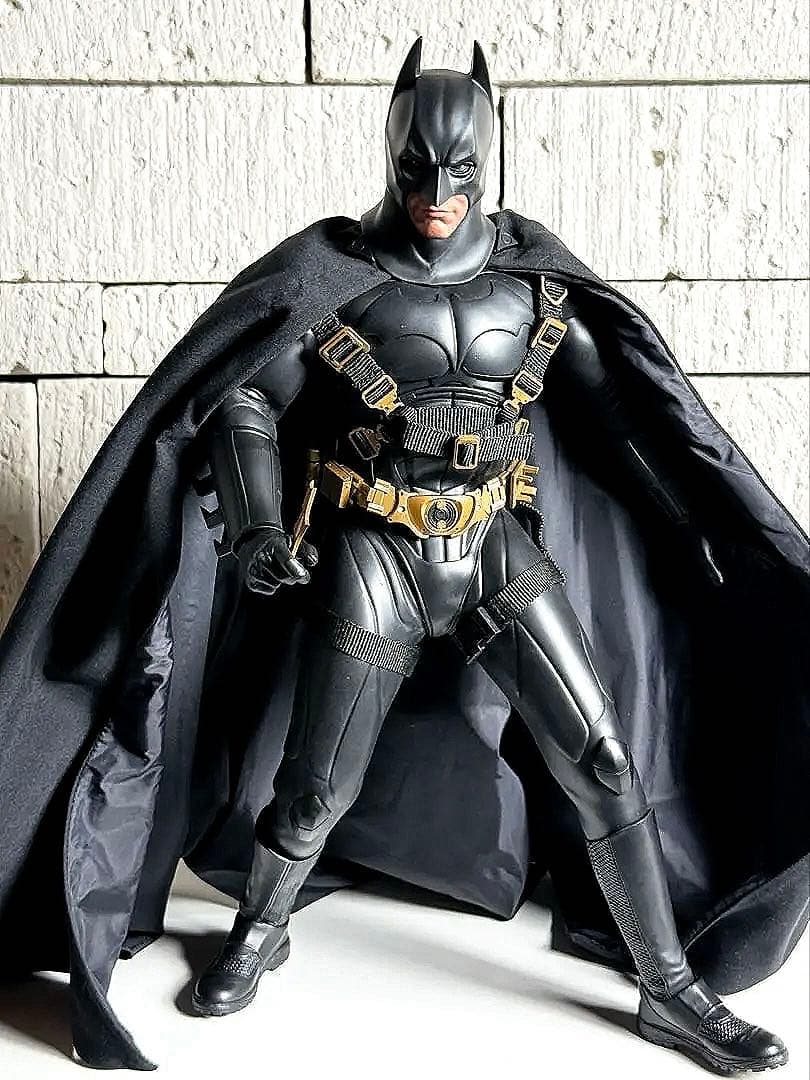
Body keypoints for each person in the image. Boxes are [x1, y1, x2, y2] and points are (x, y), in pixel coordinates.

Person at [188, 39, 788, 1074]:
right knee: (316, 788)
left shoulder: (532, 287)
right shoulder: (337, 280)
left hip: (492, 546)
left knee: (604, 761)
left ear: (492, 158)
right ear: (389, 156)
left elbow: (627, 417)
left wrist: (692, 520)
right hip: (376, 549)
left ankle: (669, 989)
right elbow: (247, 397)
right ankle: (261, 927)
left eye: (460, 172)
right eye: (417, 169)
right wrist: (254, 527)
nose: (437, 195)